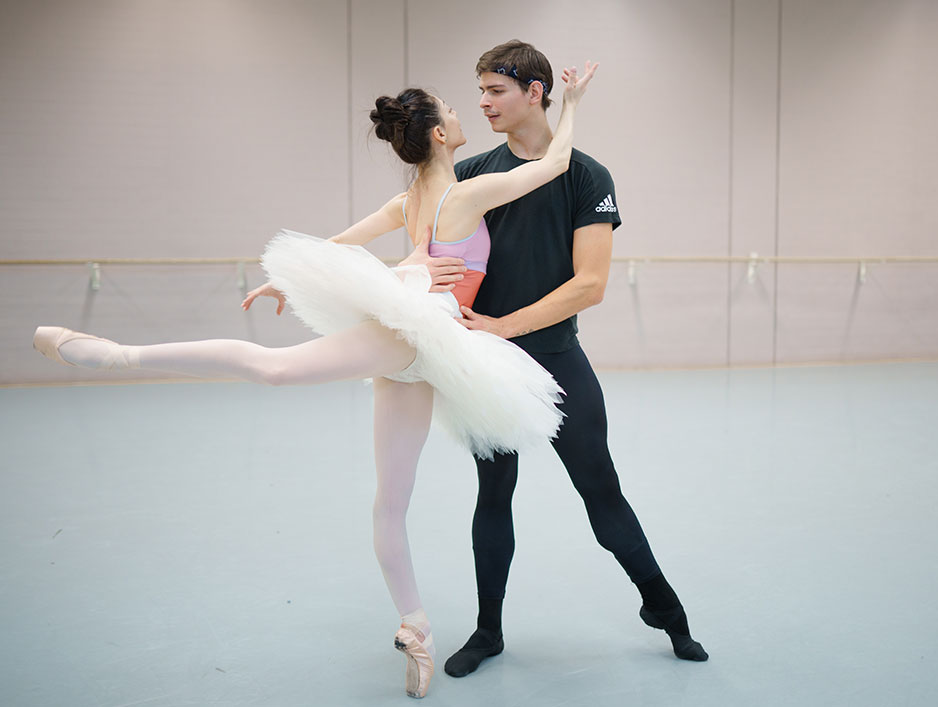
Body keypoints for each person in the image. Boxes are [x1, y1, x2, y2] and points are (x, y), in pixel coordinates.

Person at [32, 61, 598, 699]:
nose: (467, 112)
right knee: (289, 385)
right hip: (421, 343)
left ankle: (416, 629)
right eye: (454, 109)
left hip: (424, 352)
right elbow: (553, 166)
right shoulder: (463, 193)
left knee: (388, 499)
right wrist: (572, 103)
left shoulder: (411, 198)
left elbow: (336, 245)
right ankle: (116, 356)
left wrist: (330, 272)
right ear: (440, 135)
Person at [437, 40, 709, 679]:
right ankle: (487, 630)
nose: (483, 103)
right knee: (493, 495)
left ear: (535, 92)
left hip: (557, 362)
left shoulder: (587, 175)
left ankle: (666, 609)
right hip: (489, 371)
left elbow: (590, 283)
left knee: (603, 495)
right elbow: (444, 264)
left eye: (495, 91)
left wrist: (507, 325)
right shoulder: (473, 174)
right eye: (478, 91)